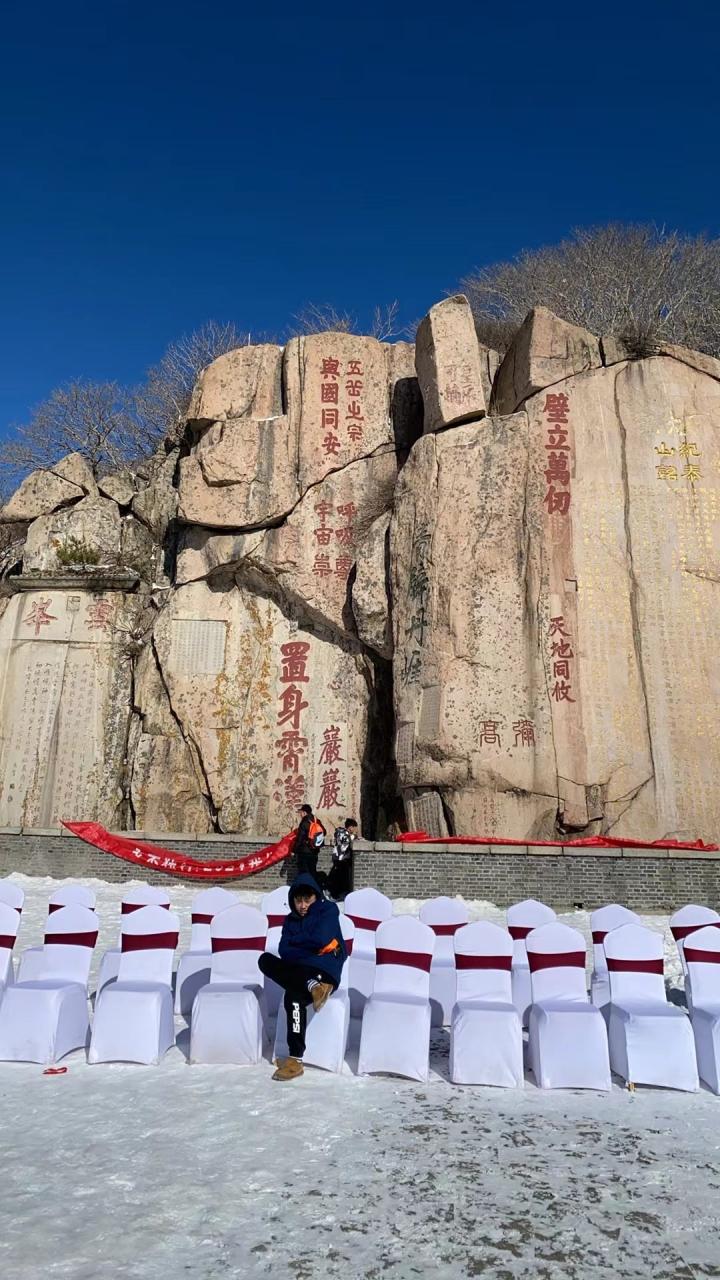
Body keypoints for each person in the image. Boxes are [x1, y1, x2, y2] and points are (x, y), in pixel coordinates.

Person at [258, 872, 346, 1081]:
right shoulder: (290, 920)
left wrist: (299, 943)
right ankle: (313, 988)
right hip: (301, 973)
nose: (303, 905)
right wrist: (311, 947)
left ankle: (295, 1059)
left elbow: (322, 937)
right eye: (299, 901)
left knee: (293, 993)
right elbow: (284, 950)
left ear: (316, 897)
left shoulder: (328, 910)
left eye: (308, 900)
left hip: (325, 973)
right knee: (265, 961)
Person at [327, 817, 359, 901]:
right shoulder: (342, 833)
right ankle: (335, 895)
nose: (354, 829)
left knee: (341, 877)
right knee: (339, 878)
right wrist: (354, 836)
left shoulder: (344, 833)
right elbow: (345, 842)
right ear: (350, 827)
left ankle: (338, 894)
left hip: (342, 859)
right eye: (354, 827)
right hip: (340, 858)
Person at [292, 803, 326, 879]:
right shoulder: (317, 821)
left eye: (301, 813)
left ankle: (304, 889)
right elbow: (324, 832)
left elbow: (300, 838)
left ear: (304, 812)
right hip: (314, 851)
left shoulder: (304, 822)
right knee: (312, 871)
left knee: (303, 873)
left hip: (304, 852)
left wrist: (294, 850)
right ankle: (312, 888)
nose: (300, 815)